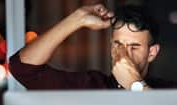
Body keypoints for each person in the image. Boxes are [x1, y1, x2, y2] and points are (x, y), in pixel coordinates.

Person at [9, 3, 176, 90]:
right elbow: (22, 68)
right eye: (118, 44)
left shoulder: (167, 92)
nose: (124, 54)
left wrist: (135, 85)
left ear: (152, 53)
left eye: (134, 46)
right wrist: (77, 19)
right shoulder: (89, 86)